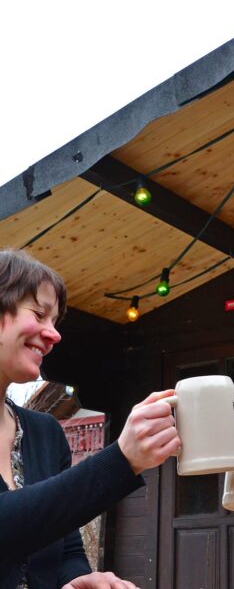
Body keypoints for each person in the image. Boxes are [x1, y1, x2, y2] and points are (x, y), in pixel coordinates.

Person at [0, 249, 181, 589]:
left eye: (55, 322)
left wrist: (78, 580)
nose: (54, 335)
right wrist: (122, 459)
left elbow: (66, 550)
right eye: (39, 314)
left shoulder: (45, 432)